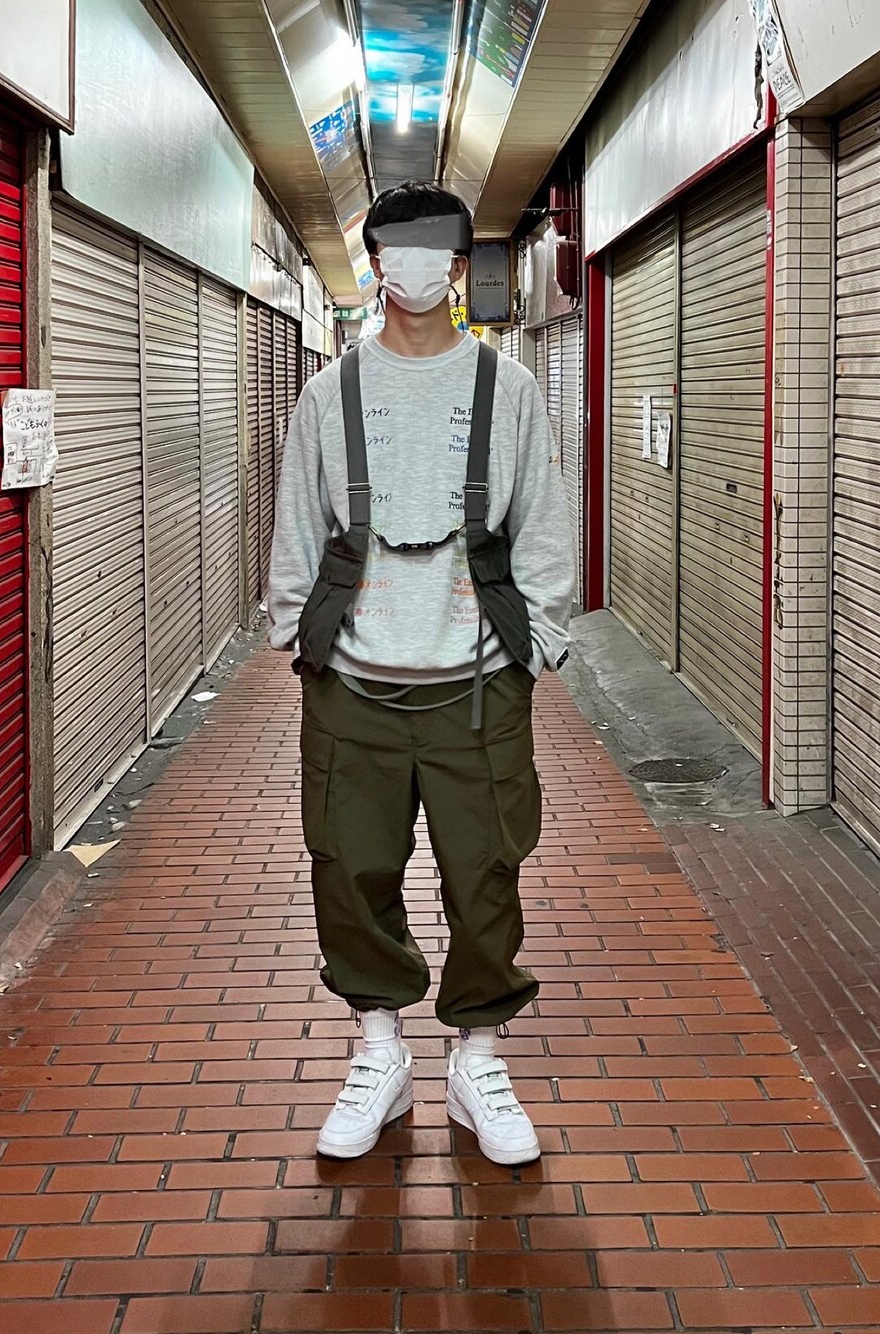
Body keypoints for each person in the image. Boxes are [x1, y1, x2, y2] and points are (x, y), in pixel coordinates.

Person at [267, 181, 574, 1166]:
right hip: (351, 686)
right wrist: (295, 637)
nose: (411, 266)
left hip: (478, 687)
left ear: (458, 264)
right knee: (349, 870)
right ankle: (380, 1051)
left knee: (486, 874)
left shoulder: (507, 388)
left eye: (430, 248)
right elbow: (296, 524)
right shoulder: (330, 394)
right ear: (375, 265)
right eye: (392, 248)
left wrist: (539, 643)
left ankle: (479, 1058)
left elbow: (544, 524)